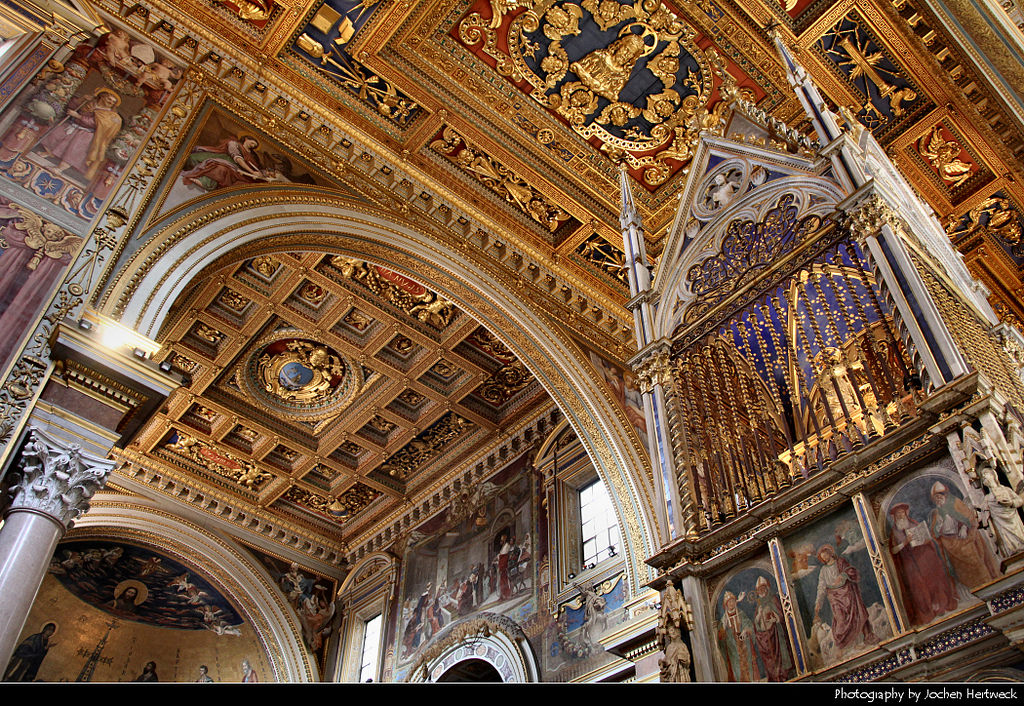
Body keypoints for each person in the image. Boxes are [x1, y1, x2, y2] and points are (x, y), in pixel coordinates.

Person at [887, 502, 958, 625]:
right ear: (894, 516)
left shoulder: (914, 523)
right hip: (909, 564)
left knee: (933, 579)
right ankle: (927, 611)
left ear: (906, 513)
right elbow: (893, 550)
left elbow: (927, 538)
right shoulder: (895, 532)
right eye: (898, 514)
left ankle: (939, 605)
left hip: (923, 559)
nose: (900, 515)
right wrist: (905, 542)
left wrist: (926, 540)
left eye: (902, 512)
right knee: (917, 587)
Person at [35, 87, 122, 180]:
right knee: (55, 135)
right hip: (73, 125)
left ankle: (59, 169)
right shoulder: (92, 103)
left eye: (113, 102)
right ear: (103, 96)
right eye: (109, 99)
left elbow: (95, 124)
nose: (111, 102)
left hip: (85, 134)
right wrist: (83, 99)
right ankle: (49, 153)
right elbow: (73, 106)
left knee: (72, 151)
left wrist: (78, 116)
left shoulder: (109, 114)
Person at [927, 482, 1001, 589]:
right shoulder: (936, 512)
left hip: (966, 539)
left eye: (939, 496)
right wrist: (939, 527)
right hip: (951, 544)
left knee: (976, 562)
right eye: (936, 498)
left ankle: (988, 584)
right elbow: (934, 533)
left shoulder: (955, 503)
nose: (938, 499)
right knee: (962, 570)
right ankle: (974, 590)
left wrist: (964, 527)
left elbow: (969, 517)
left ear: (945, 495)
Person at [812, 544, 875, 657]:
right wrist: (818, 603)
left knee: (854, 617)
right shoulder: (823, 571)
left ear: (830, 552)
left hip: (847, 593)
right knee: (841, 620)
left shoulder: (840, 562)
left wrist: (844, 575)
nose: (825, 557)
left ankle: (859, 642)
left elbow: (851, 571)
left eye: (826, 554)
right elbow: (821, 588)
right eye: (823, 557)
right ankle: (846, 646)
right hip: (834, 597)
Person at [180, 135, 263, 192]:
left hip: (238, 169)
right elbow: (237, 158)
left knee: (222, 169)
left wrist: (258, 173)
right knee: (197, 159)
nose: (253, 146)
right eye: (252, 143)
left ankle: (205, 182)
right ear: (246, 139)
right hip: (226, 159)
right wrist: (252, 172)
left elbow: (254, 166)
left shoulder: (252, 155)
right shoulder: (234, 144)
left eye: (254, 146)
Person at [750, 576, 793, 681]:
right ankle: (774, 677)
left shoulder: (773, 599)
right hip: (765, 636)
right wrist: (759, 614)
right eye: (759, 590)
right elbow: (756, 624)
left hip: (776, 633)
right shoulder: (758, 606)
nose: (761, 591)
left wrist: (776, 619)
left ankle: (783, 674)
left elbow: (782, 615)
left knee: (780, 655)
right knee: (770, 659)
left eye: (763, 588)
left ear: (767, 588)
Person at [717, 591, 758, 681]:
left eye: (732, 601)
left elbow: (749, 625)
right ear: (726, 605)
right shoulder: (724, 619)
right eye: (729, 602)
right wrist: (724, 629)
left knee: (748, 667)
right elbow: (720, 637)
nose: (731, 604)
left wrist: (745, 631)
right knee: (737, 669)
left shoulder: (740, 613)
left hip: (744, 646)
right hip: (733, 649)